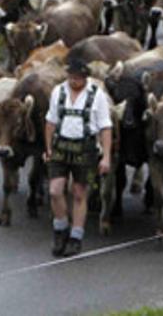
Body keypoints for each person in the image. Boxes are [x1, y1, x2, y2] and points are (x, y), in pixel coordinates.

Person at [44, 57, 113, 257]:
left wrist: (106, 156)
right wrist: (48, 147)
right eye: (71, 77)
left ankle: (76, 236)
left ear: (85, 77)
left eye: (78, 78)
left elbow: (105, 127)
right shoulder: (58, 91)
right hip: (61, 146)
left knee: (79, 193)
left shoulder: (97, 95)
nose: (74, 81)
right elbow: (50, 121)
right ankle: (60, 228)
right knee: (55, 190)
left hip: (86, 148)